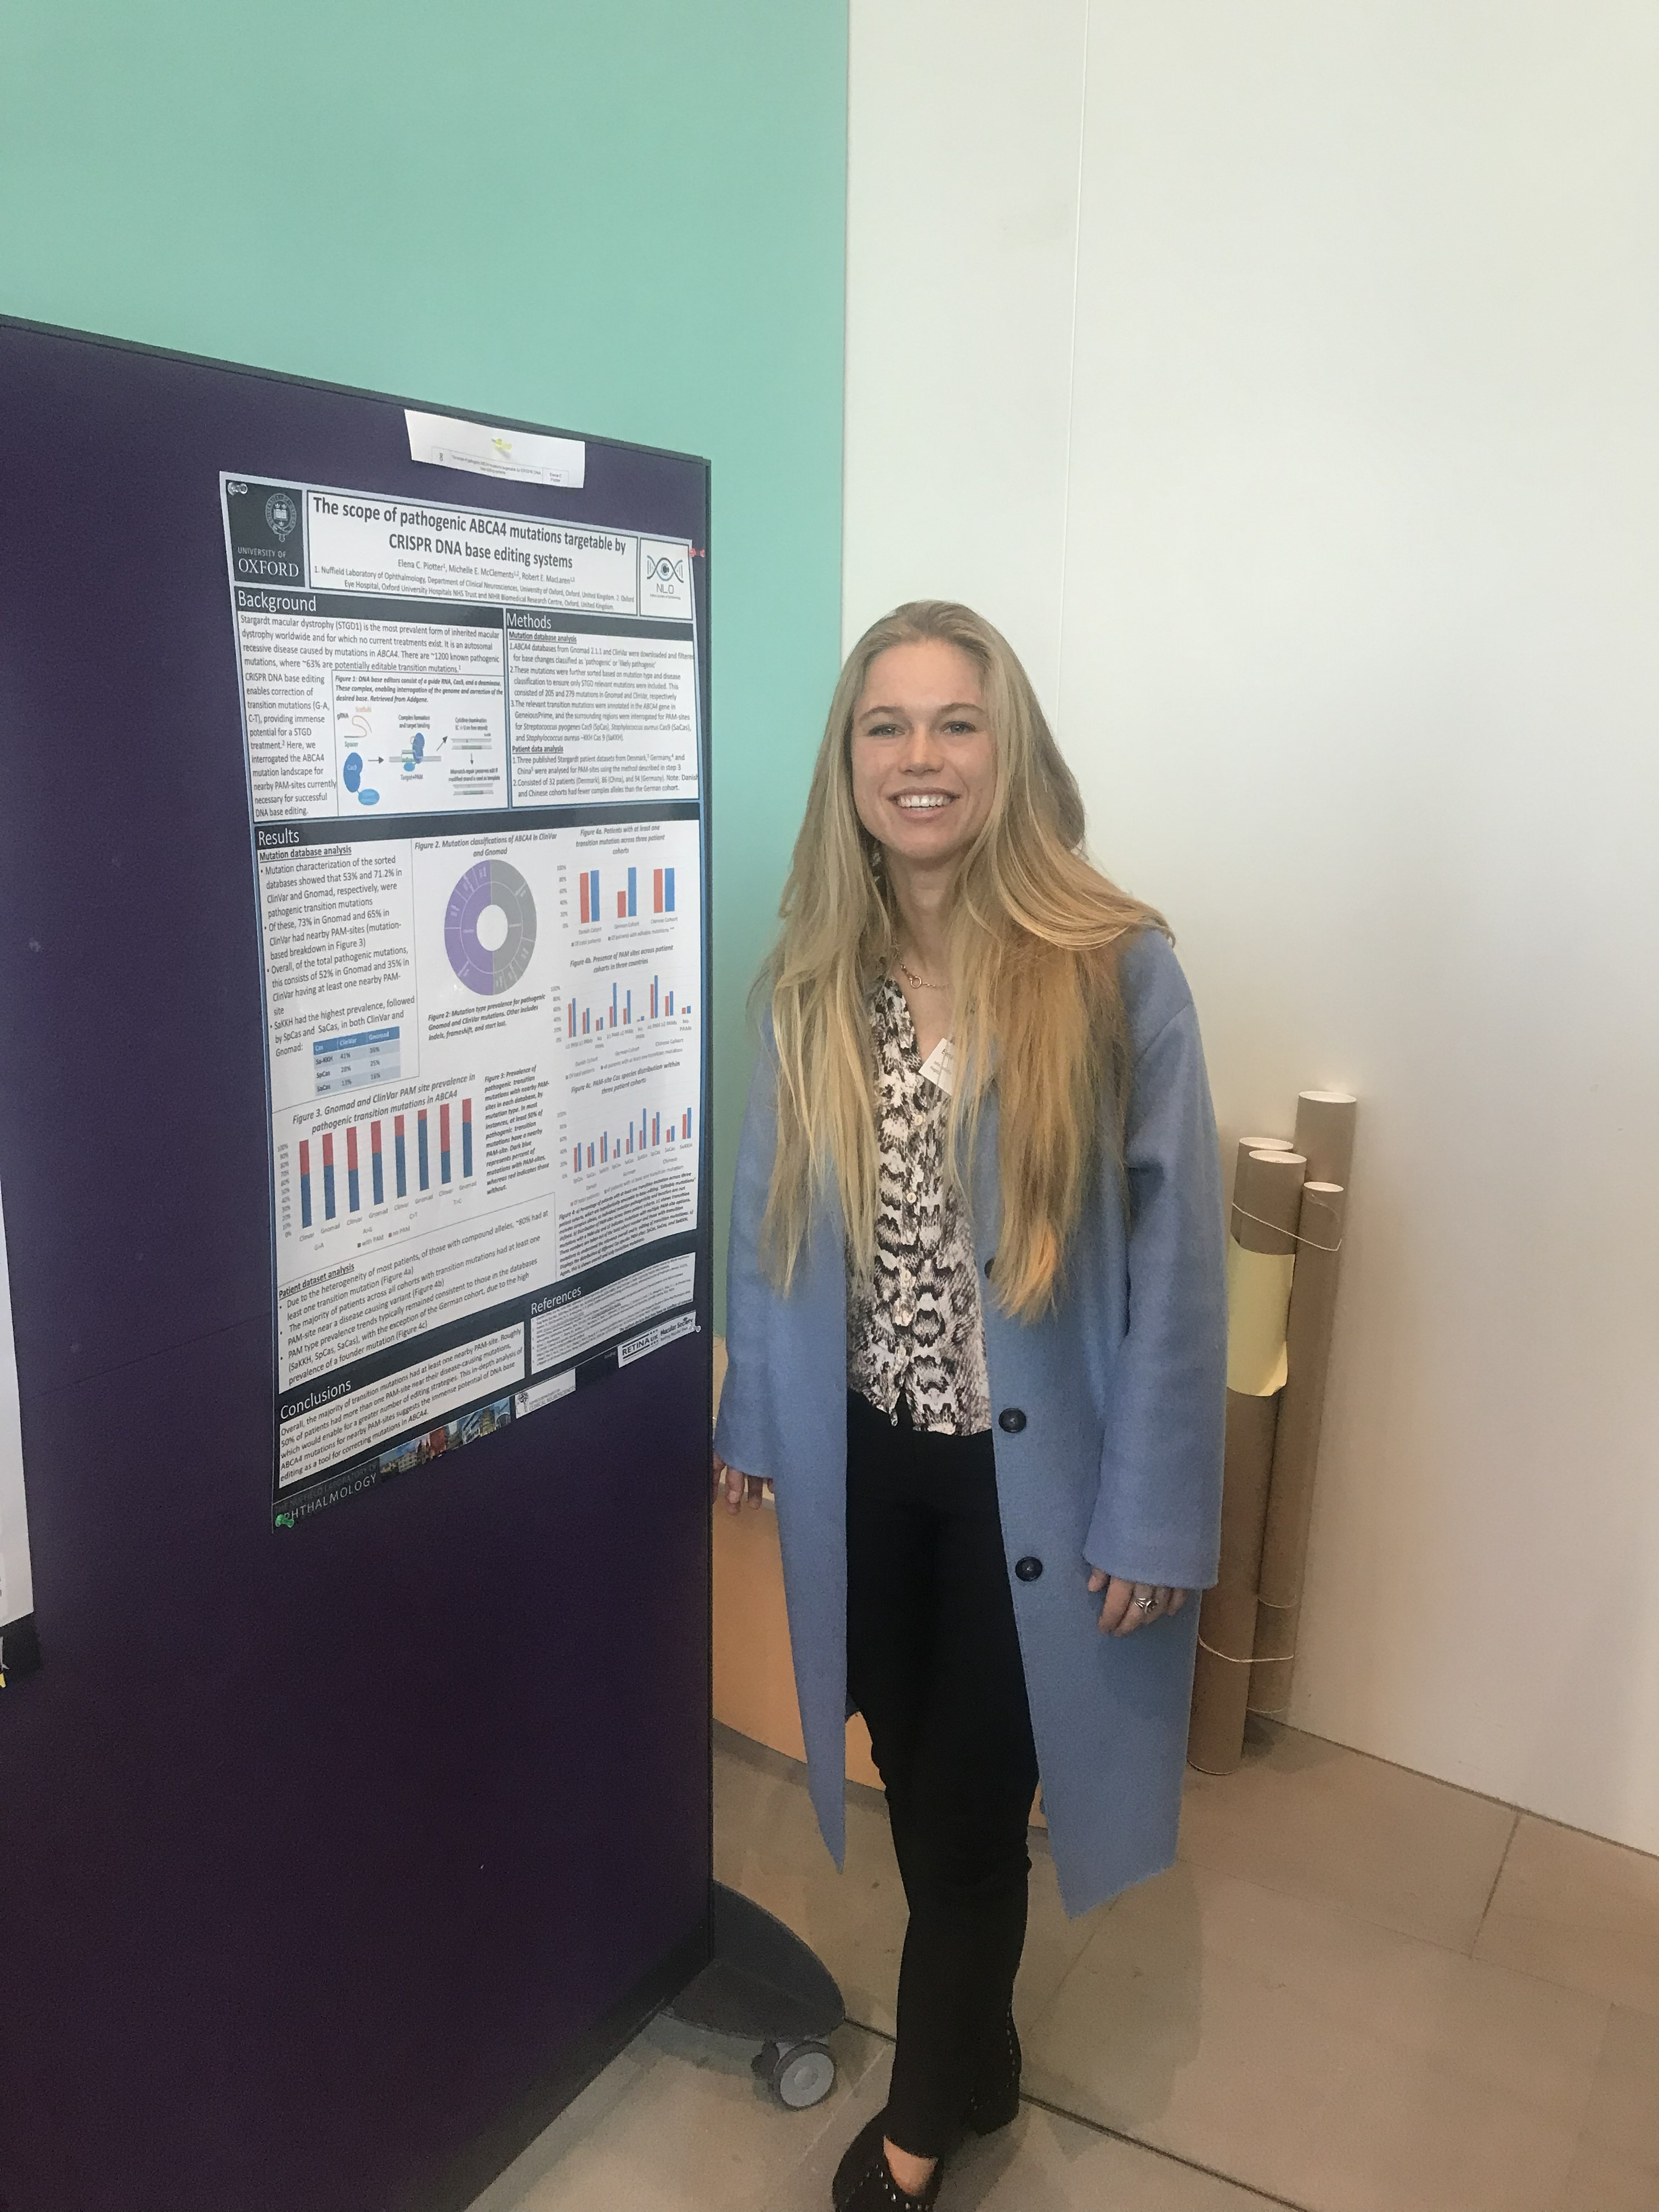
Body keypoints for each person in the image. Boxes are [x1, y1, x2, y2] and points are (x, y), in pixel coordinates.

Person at [713, 602, 1227, 2209]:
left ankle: (926, 2127)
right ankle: (984, 2050)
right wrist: (750, 1422)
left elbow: (1176, 1270)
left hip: (1037, 1486)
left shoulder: (1113, 969)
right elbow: (769, 1205)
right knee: (903, 1742)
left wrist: (1150, 1512)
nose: (920, 758)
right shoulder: (818, 975)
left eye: (956, 723)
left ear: (1010, 752)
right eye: (887, 726)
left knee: (961, 1817)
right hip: (870, 1464)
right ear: (849, 763)